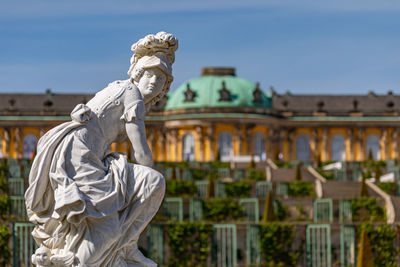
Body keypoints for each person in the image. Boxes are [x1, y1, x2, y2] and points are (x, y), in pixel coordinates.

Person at [25, 32, 178, 267]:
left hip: (85, 156)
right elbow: (140, 149)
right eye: (150, 75)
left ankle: (123, 247)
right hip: (80, 158)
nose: (154, 82)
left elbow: (85, 113)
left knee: (103, 228)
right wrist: (147, 183)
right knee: (147, 188)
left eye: (160, 80)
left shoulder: (118, 88)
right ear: (138, 73)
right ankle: (116, 249)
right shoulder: (131, 94)